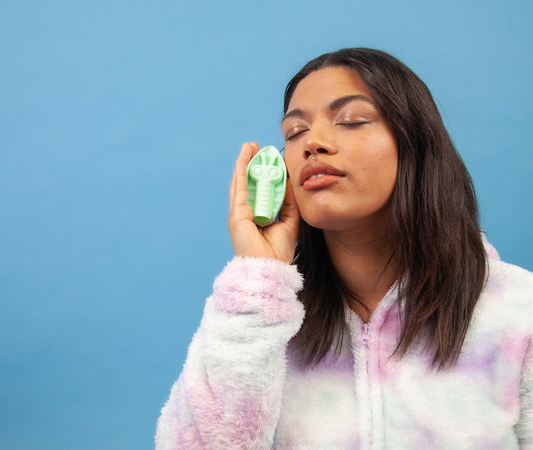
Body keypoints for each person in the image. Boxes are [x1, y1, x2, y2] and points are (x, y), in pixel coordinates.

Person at [155, 48, 533, 449]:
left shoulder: (517, 312)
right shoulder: (262, 322)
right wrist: (258, 280)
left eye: (351, 120)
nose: (312, 142)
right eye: (294, 132)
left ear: (415, 143)